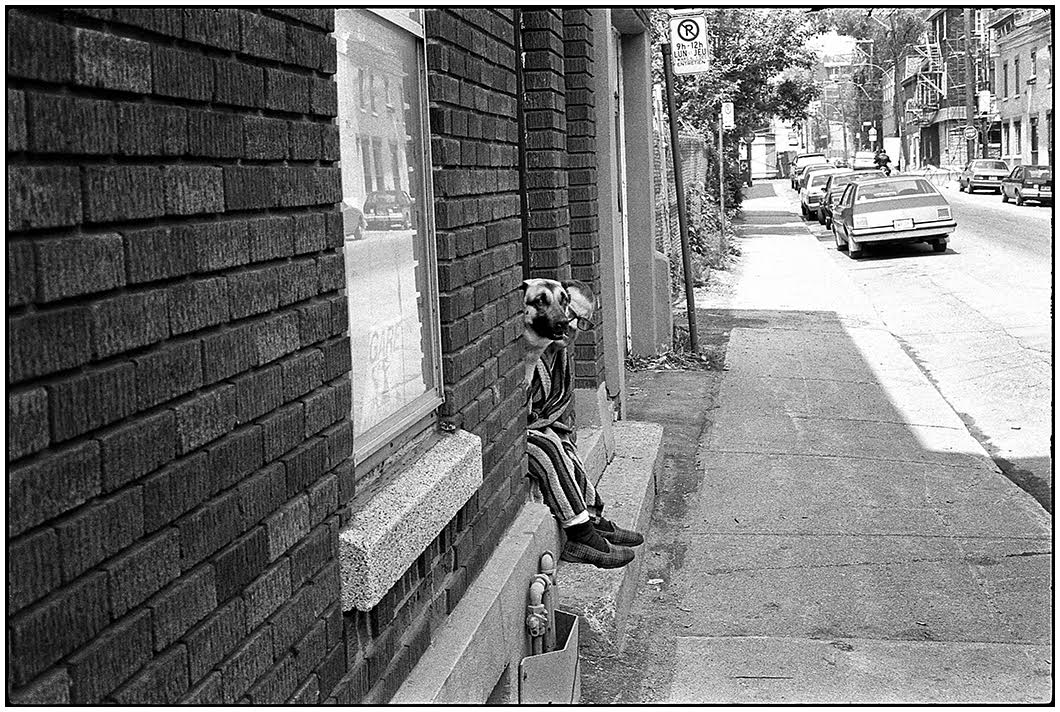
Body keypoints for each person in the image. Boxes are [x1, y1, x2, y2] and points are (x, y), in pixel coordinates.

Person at [524, 279, 644, 569]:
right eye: (571, 315)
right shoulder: (529, 348)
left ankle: (593, 518)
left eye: (583, 322)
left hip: (535, 429)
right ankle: (581, 536)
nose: (572, 325)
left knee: (562, 441)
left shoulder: (559, 354)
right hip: (515, 437)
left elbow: (554, 409)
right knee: (549, 444)